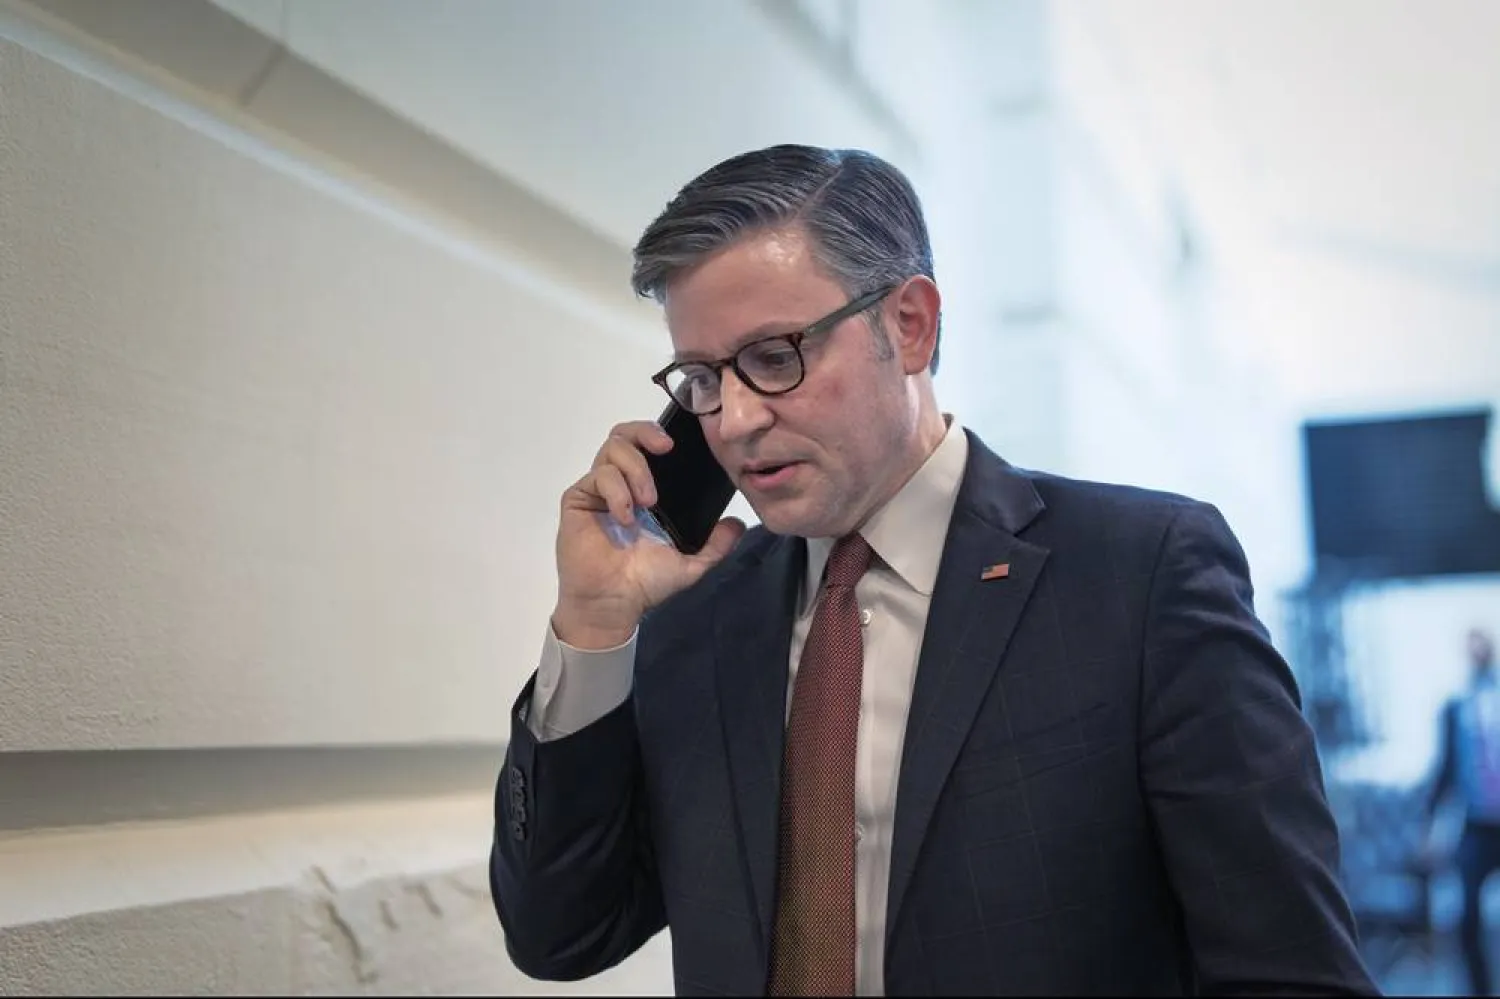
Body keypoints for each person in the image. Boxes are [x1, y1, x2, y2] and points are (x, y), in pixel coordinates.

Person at [489, 144, 1377, 996]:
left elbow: (1287, 969)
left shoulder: (1140, 576)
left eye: (773, 357)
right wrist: (595, 625)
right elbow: (560, 932)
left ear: (907, 325)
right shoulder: (699, 609)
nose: (736, 420)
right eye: (702, 378)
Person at [1426, 627, 1500, 995]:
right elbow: (1446, 769)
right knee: (1466, 914)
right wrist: (1429, 826)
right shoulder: (1456, 709)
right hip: (1478, 824)